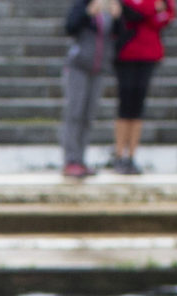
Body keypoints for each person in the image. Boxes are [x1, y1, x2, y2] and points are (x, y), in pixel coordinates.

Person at [106, 0, 173, 175]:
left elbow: (165, 18)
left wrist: (144, 11)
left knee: (138, 106)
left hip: (149, 53)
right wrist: (151, 9)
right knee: (124, 105)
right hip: (126, 52)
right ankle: (119, 154)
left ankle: (131, 155)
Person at [58, 0, 118, 179]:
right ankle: (71, 160)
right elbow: (70, 26)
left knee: (88, 116)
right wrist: (88, 13)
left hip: (98, 69)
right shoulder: (82, 5)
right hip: (78, 66)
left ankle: (81, 159)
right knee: (74, 113)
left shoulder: (111, 7)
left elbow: (118, 35)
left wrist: (118, 18)